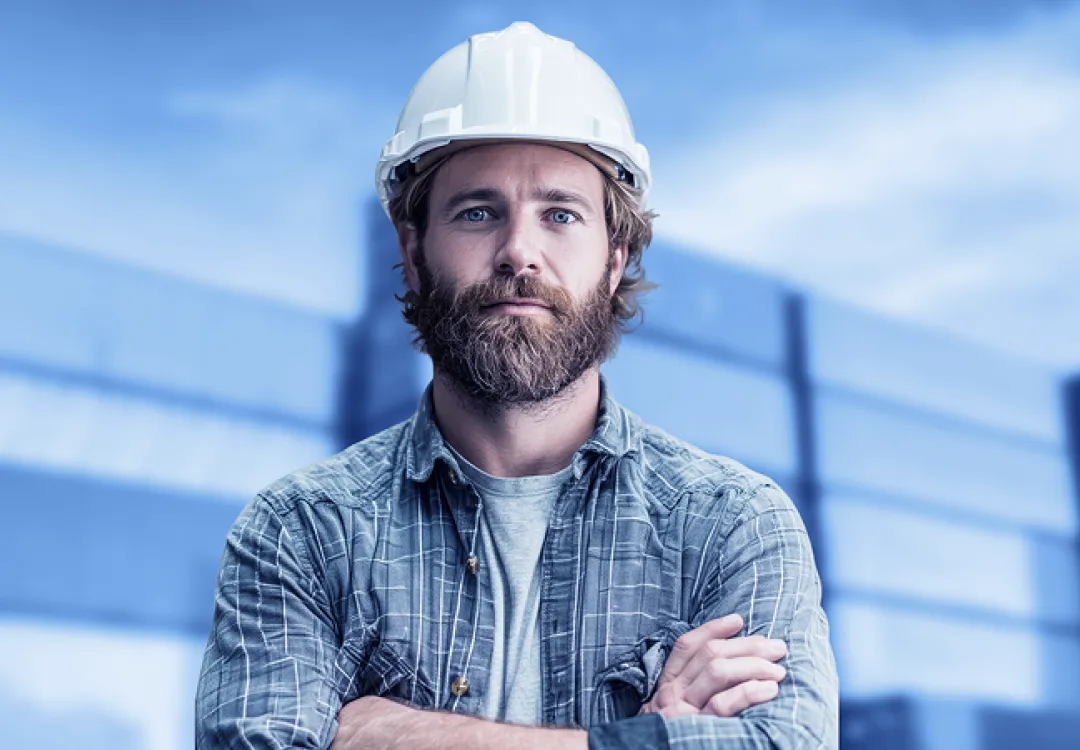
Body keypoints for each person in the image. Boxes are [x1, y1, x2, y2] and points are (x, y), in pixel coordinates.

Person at [195, 21, 838, 750]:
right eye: (478, 213)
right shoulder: (303, 530)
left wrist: (399, 736)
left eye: (559, 215)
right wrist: (650, 739)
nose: (519, 253)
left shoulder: (729, 525)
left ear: (616, 254)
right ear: (412, 249)